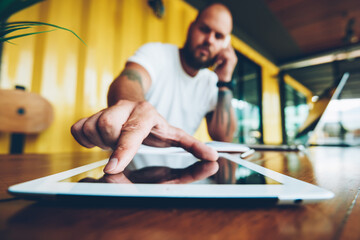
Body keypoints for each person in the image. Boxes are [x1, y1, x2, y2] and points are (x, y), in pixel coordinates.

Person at [71, 3, 238, 174]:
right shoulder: (156, 53)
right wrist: (133, 106)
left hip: (180, 178)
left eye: (218, 36)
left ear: (225, 45)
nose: (209, 39)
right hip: (128, 176)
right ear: (191, 28)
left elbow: (223, 138)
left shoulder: (212, 82)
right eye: (204, 29)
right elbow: (130, 79)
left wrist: (225, 81)